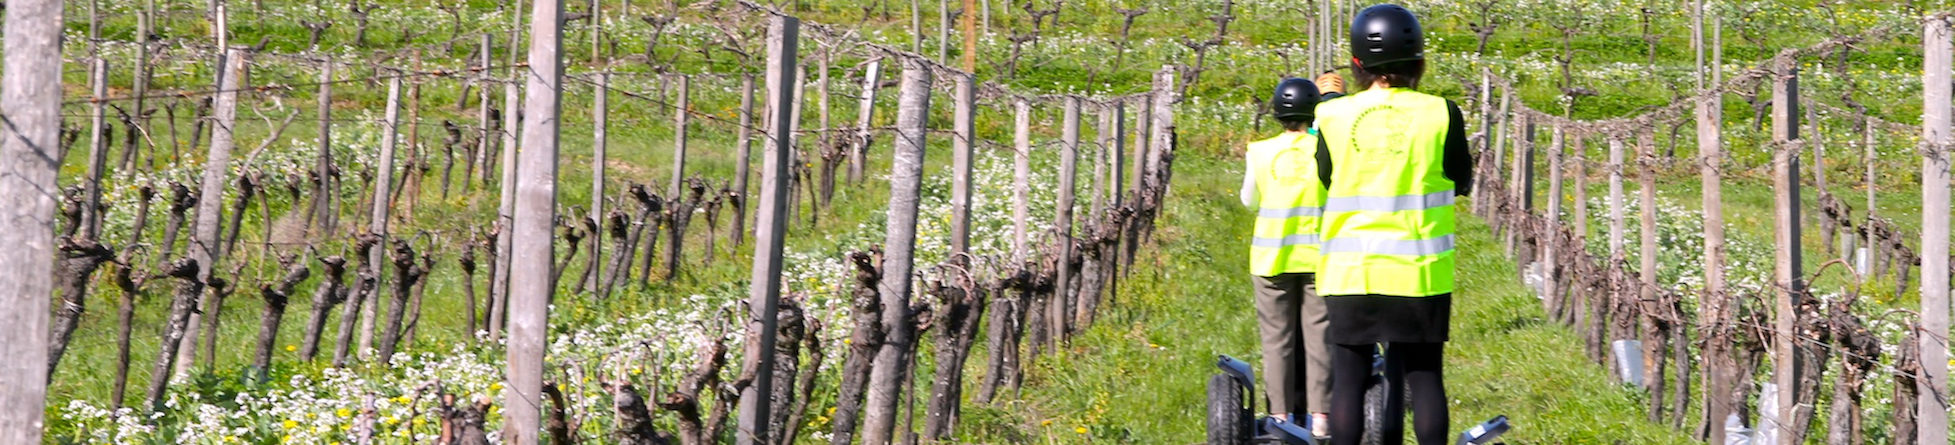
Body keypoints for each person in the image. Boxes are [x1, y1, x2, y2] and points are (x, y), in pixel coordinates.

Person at [1310, 4, 1472, 445]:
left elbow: (1325, 178)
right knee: (1424, 379)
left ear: (1357, 64)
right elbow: (1461, 179)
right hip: (1418, 272)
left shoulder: (1331, 115)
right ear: (1419, 61)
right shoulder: (1442, 113)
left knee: (1349, 380)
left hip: (1349, 271)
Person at [1239, 77, 1332, 437]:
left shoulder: (1259, 151)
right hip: (1318, 259)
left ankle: (1279, 418)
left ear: (1277, 112)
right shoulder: (1325, 150)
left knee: (1277, 340)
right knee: (1318, 339)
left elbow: (1249, 201)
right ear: (1313, 112)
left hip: (1271, 259)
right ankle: (1321, 417)